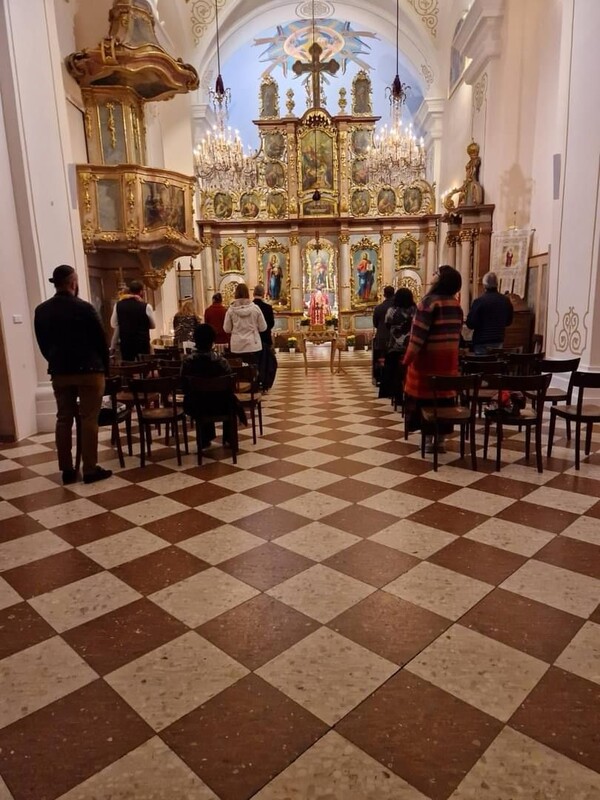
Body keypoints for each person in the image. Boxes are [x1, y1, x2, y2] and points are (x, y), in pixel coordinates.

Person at [34, 265, 112, 485]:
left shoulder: (42, 310)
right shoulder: (84, 308)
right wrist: (105, 369)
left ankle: (67, 469)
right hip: (89, 371)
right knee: (89, 419)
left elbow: (43, 343)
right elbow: (101, 341)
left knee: (63, 418)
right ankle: (89, 469)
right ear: (73, 283)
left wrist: (55, 361)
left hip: (60, 371)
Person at [403, 266, 464, 454]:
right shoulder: (456, 305)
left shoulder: (428, 303)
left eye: (435, 273)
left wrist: (406, 359)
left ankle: (428, 440)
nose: (432, 275)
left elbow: (417, 337)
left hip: (427, 363)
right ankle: (441, 440)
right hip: (448, 362)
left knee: (426, 401)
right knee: (444, 400)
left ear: (442, 280)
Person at [181, 324, 246, 448]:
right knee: (228, 398)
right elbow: (230, 385)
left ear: (195, 340)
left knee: (200, 397)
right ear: (212, 341)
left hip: (197, 406)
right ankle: (229, 437)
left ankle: (204, 438)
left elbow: (184, 385)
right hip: (221, 405)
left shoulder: (188, 361)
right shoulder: (221, 361)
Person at [379, 288, 416, 398]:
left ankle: (393, 393)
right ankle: (409, 392)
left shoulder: (392, 310)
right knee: (408, 370)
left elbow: (387, 324)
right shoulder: (415, 310)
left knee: (392, 370)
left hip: (394, 345)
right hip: (409, 345)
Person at [466, 271, 514, 354]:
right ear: (497, 284)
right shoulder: (505, 301)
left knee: (482, 365)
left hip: (481, 342)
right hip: (498, 340)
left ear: (484, 285)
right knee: (495, 364)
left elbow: (470, 324)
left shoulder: (479, 301)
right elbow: (509, 321)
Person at [110, 279, 155, 361]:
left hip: (126, 344)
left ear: (129, 291)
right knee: (144, 367)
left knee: (128, 368)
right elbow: (153, 326)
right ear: (141, 292)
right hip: (142, 343)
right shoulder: (146, 306)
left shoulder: (118, 305)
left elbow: (113, 324)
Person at [223, 283, 267, 365]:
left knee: (240, 372)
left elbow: (227, 329)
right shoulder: (255, 308)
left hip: (237, 346)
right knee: (253, 371)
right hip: (253, 345)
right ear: (248, 293)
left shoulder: (231, 310)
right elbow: (263, 327)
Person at [253, 284, 276, 389]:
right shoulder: (268, 307)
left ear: (253, 293)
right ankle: (265, 382)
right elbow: (271, 323)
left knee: (255, 361)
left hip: (253, 339)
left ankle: (255, 381)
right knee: (266, 361)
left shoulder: (251, 306)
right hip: (265, 338)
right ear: (263, 294)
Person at [372, 285, 395, 381]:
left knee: (381, 358)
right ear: (394, 293)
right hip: (394, 338)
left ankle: (381, 378)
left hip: (381, 337)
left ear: (384, 295)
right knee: (393, 359)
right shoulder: (397, 307)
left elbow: (375, 323)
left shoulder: (379, 308)